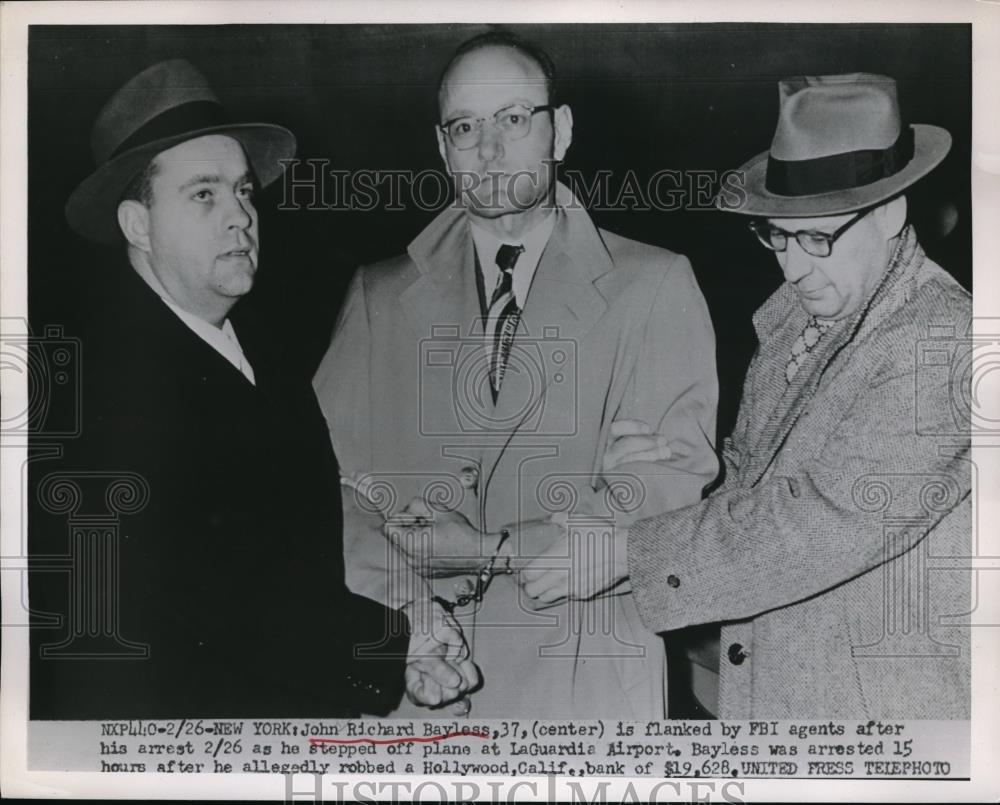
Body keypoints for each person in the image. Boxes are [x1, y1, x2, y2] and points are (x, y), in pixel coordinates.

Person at [29, 58, 477, 719]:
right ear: (137, 225)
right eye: (204, 195)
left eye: (243, 190)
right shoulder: (102, 383)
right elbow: (217, 593)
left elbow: (312, 532)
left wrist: (410, 612)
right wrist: (392, 644)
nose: (240, 216)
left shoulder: (263, 349)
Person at [521, 73, 972, 719]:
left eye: (818, 238)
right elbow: (764, 483)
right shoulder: (799, 318)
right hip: (783, 703)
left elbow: (821, 521)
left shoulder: (945, 343)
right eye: (777, 235)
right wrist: (689, 465)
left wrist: (628, 551)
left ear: (892, 213)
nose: (793, 267)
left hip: (885, 725)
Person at [313, 32, 719, 718]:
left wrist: (485, 549)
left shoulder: (656, 285)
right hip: (426, 688)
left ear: (558, 130)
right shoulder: (377, 297)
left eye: (513, 118)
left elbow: (662, 500)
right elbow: (327, 495)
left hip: (587, 689)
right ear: (442, 147)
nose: (489, 148)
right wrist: (411, 609)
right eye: (465, 127)